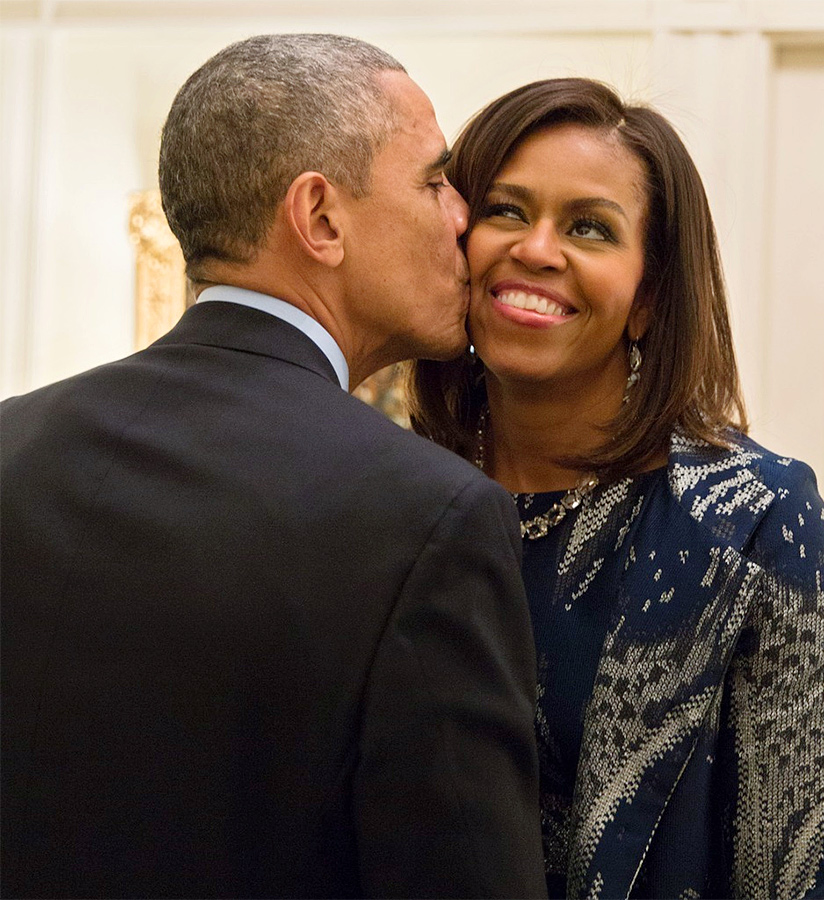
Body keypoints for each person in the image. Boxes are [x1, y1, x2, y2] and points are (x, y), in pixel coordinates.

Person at [1, 34, 546, 899]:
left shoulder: (11, 445)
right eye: (435, 180)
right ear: (321, 218)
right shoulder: (427, 518)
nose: (461, 219)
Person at [408, 77, 824, 899]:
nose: (538, 249)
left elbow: (799, 869)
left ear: (650, 296)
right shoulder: (396, 492)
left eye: (589, 227)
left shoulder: (753, 522)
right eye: (508, 211)